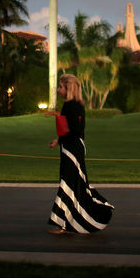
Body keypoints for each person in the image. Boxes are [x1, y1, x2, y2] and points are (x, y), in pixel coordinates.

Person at [46, 73, 113, 235]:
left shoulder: (72, 106)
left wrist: (61, 135)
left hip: (73, 149)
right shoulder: (71, 105)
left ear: (68, 89)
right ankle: (70, 221)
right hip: (71, 147)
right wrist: (58, 139)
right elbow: (70, 129)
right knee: (73, 182)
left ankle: (64, 223)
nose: (58, 89)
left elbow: (75, 131)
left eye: (61, 87)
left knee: (69, 183)